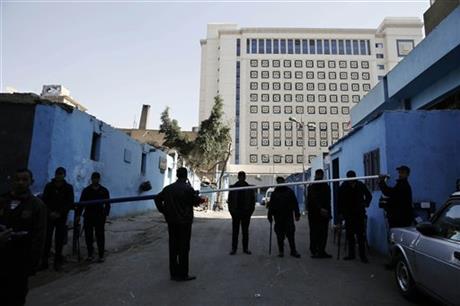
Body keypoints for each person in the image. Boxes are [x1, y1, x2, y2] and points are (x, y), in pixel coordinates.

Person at [0, 169, 47, 306]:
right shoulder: (2, 200)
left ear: (31, 182)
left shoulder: (37, 206)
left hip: (20, 261)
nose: (20, 182)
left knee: (16, 296)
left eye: (25, 179)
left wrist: (33, 263)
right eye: (17, 179)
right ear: (12, 180)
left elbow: (39, 236)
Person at [154, 167, 203, 281]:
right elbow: (195, 202)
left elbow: (157, 199)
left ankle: (174, 274)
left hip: (172, 222)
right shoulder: (188, 189)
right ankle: (183, 274)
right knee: (184, 248)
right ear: (186, 176)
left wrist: (164, 211)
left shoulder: (168, 189)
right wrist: (198, 198)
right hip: (185, 223)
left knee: (173, 247)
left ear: (177, 175)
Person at [41, 167, 74, 271]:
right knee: (47, 239)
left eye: (61, 173)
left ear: (64, 175)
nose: (59, 175)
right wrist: (50, 212)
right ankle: (44, 262)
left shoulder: (68, 187)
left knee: (59, 241)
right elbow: (44, 201)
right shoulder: (49, 186)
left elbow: (69, 202)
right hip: (50, 216)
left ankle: (57, 262)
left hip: (61, 217)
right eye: (57, 173)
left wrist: (59, 213)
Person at [338, 170, 372, 263]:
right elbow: (339, 200)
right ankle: (351, 254)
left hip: (359, 214)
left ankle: (362, 256)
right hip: (348, 214)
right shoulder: (343, 186)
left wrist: (366, 203)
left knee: (360, 236)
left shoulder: (360, 185)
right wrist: (340, 213)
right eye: (349, 179)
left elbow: (368, 195)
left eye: (352, 179)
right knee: (350, 235)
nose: (351, 181)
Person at [77, 172, 110, 263]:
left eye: (97, 178)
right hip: (88, 216)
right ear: (91, 179)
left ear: (99, 179)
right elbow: (81, 204)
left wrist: (106, 214)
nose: (95, 179)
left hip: (99, 216)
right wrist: (78, 215)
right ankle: (90, 254)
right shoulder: (86, 190)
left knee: (100, 235)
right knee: (88, 235)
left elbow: (108, 204)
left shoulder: (104, 190)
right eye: (94, 178)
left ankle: (101, 255)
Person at [267, 177, 301, 258]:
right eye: (279, 182)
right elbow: (271, 205)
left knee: (290, 234)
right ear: (277, 183)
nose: (280, 183)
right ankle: (281, 251)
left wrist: (297, 214)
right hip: (278, 217)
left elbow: (295, 203)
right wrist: (269, 216)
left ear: (284, 181)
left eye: (281, 181)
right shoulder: (275, 193)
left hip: (288, 216)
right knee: (279, 235)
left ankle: (293, 251)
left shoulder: (289, 192)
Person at [227, 171, 256, 255]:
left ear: (245, 177)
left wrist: (250, 212)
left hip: (246, 213)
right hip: (236, 213)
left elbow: (252, 202)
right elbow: (230, 201)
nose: (242, 178)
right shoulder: (233, 188)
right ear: (238, 177)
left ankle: (245, 248)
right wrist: (232, 212)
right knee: (235, 232)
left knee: (245, 232)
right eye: (240, 177)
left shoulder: (249, 189)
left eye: (243, 177)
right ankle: (234, 249)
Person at [307, 169, 332, 258]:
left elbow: (328, 200)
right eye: (319, 175)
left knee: (321, 233)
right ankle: (316, 251)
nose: (319, 176)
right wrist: (321, 209)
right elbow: (313, 199)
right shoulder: (313, 186)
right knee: (317, 233)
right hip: (316, 214)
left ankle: (320, 251)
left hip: (320, 214)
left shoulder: (324, 186)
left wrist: (328, 212)